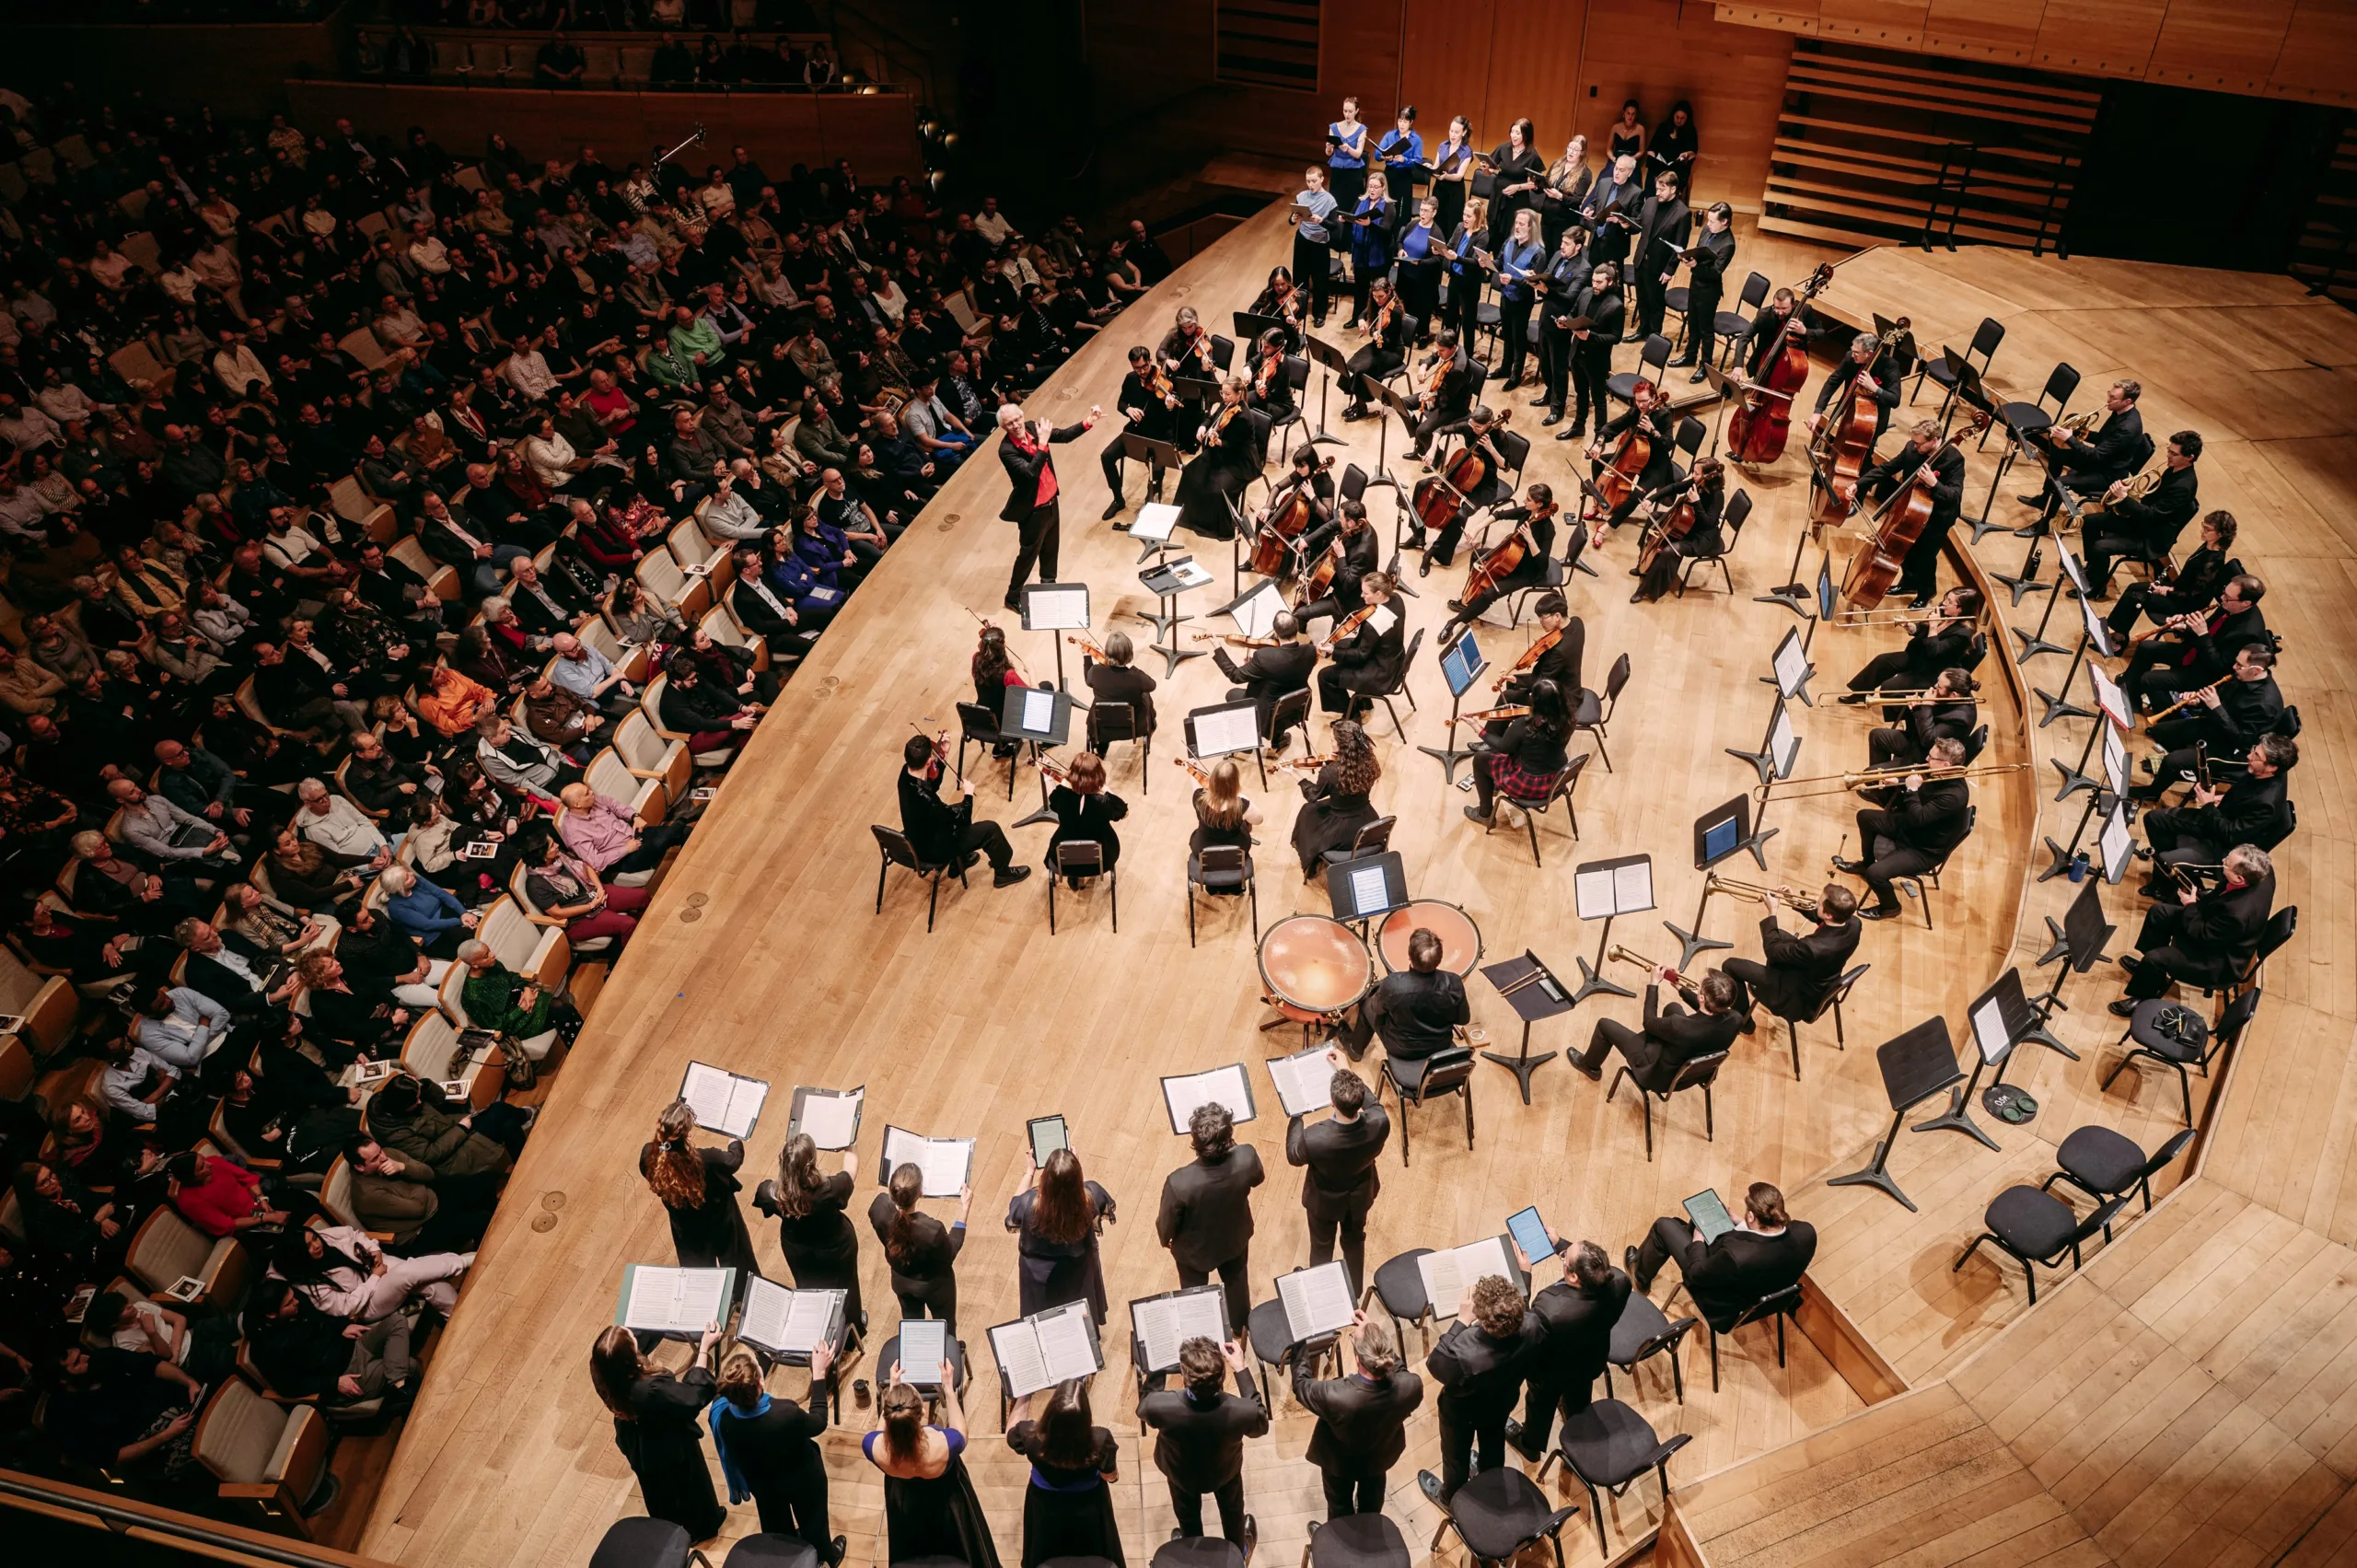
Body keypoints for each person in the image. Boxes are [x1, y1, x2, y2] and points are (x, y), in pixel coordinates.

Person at [591, 1321, 727, 1540]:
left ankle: (669, 1532)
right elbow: (692, 1397)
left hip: (637, 1441)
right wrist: (704, 1348)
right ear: (631, 1358)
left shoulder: (604, 1372)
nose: (636, 1338)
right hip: (668, 1443)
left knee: (657, 1491)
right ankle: (702, 1529)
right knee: (690, 1487)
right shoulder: (650, 1390)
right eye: (633, 1340)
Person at [709, 1344, 843, 1563]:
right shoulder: (785, 1414)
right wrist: (818, 1374)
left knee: (776, 1526)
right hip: (802, 1479)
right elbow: (818, 1422)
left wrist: (766, 1358)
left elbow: (742, 1386)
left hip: (763, 1484)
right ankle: (826, 1558)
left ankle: (788, 1560)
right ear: (760, 1383)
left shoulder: (721, 1415)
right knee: (813, 1522)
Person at [1419, 1272, 1545, 1502]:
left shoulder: (1464, 1353)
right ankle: (1489, 1477)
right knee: (1493, 1440)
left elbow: (1435, 1364)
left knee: (1456, 1456)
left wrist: (1461, 1320)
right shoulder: (1533, 1325)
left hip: (1462, 1414)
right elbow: (1525, 1315)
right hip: (1503, 1400)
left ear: (1483, 1320)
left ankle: (1450, 1497)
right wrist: (1524, 1276)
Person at [1627, 1181, 1817, 1330]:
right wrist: (1742, 1225)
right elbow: (1770, 1247)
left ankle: (1640, 1275)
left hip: (1724, 1305)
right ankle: (1683, 1232)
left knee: (1664, 1226)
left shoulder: (1736, 1255)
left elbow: (1696, 1273)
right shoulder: (1806, 1233)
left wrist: (1698, 1242)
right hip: (1763, 1295)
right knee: (1682, 1226)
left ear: (1752, 1216)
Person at [1137, 1335, 1269, 1550]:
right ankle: (1238, 1551)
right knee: (1233, 1512)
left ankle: (1194, 1552)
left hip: (1181, 1473)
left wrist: (1157, 1366)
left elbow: (1144, 1407)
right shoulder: (1242, 1410)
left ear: (1184, 1375)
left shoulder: (1160, 1406)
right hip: (1225, 1470)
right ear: (1223, 1375)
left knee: (1187, 1518)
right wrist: (1241, 1369)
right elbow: (1261, 1424)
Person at [1507, 1237, 1631, 1460]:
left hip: (1550, 1372)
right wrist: (1558, 1243)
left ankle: (1530, 1445)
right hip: (1590, 1360)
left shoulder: (1551, 1311)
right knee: (1579, 1395)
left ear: (1574, 1276)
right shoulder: (1621, 1282)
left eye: (1565, 1258)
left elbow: (1525, 1327)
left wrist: (1523, 1275)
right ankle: (1576, 1423)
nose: (1563, 1257)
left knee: (1540, 1406)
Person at [865, 1366, 1001, 1567]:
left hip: (904, 1502)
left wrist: (893, 1389)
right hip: (946, 1500)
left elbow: (879, 1434)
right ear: (920, 1415)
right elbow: (961, 1431)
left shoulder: (875, 1448)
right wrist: (948, 1389)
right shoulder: (941, 1445)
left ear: (887, 1417)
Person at [2113, 843, 2275, 1011]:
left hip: (2216, 961)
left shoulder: (2237, 914)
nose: (2223, 860)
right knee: (2159, 912)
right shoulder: (2265, 871)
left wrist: (2190, 905)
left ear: (2239, 879)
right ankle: (2150, 973)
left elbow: (2203, 936)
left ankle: (2143, 997)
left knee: (2156, 958)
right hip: (2217, 929)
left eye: (2227, 863)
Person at [1294, 1310, 1422, 1518]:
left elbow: (1301, 1386)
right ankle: (1368, 1528)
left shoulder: (1336, 1395)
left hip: (1339, 1462)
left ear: (1358, 1360)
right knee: (1372, 1501)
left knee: (1338, 1505)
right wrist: (1373, 1334)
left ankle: (1340, 1536)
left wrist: (1300, 1345)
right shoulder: (1412, 1386)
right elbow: (1400, 1371)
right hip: (1379, 1455)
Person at [1834, 734, 1976, 920]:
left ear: (1945, 765)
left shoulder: (1953, 796)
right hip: (1911, 828)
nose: (1926, 759)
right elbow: (1919, 805)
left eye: (1931, 758)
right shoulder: (1936, 774)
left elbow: (1919, 817)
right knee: (1865, 817)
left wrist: (1911, 790)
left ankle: (1890, 907)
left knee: (1875, 874)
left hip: (1923, 849)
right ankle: (1865, 862)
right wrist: (1900, 785)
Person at [1156, 1101, 1265, 1333]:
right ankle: (1241, 1327)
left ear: (1196, 1144)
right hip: (1234, 1239)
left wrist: (1166, 1239)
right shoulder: (1246, 1156)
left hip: (1194, 1252)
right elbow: (1258, 1179)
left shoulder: (1179, 1182)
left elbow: (1167, 1224)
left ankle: (1199, 1336)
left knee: (1194, 1295)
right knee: (1237, 1285)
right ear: (1229, 1138)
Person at [1285, 1059, 1390, 1288]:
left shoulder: (1315, 1137)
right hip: (1359, 1196)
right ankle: (1355, 1289)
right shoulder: (1380, 1123)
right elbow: (1374, 1105)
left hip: (1324, 1202)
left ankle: (1321, 1293)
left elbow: (1294, 1155)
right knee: (1354, 1241)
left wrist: (1296, 1116)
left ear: (1331, 1103)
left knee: (1322, 1247)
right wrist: (1347, 1069)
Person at [1006, 1378, 1123, 1565]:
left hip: (1044, 1503)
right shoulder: (1100, 1440)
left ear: (1050, 1412)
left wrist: (1025, 1393)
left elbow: (1011, 1432)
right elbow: (1109, 1475)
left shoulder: (1030, 1436)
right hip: (1089, 1504)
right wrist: (1113, 1475)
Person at [997, 401, 1100, 612]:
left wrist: (1088, 421)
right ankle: (1012, 596)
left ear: (1023, 416)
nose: (1016, 425)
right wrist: (1042, 443)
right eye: (1009, 423)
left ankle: (1049, 585)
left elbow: (1063, 435)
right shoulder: (1007, 451)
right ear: (1004, 428)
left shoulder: (1033, 428)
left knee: (1051, 548)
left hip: (1052, 501)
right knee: (1029, 554)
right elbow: (1030, 473)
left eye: (1017, 419)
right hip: (1033, 510)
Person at [756, 1133, 865, 1331]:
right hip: (836, 1249)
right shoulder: (830, 1189)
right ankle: (851, 1327)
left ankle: (815, 1325)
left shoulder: (772, 1194)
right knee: (847, 1286)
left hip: (799, 1252)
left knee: (807, 1284)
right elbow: (850, 1170)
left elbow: (762, 1194)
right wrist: (852, 1142)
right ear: (811, 1164)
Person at [1852, 419, 1967, 606]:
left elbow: (1954, 496)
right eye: (1914, 442)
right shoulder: (1911, 449)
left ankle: (1926, 592)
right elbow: (1887, 468)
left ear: (1934, 440)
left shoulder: (1953, 459)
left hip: (1937, 518)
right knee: (1905, 549)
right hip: (1911, 510)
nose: (1915, 446)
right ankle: (1908, 583)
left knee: (1925, 557)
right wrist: (1858, 484)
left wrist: (1934, 484)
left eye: (1919, 443)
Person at [897, 732, 1032, 889]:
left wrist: (943, 757)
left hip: (915, 838)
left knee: (955, 810)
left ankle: (959, 862)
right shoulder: (928, 801)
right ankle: (1003, 873)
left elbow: (931, 787)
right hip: (934, 849)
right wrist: (968, 795)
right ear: (928, 762)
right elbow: (962, 816)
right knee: (991, 830)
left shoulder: (905, 774)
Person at [641, 1099, 757, 1277]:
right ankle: (740, 1296)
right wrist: (734, 1140)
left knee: (699, 1275)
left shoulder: (649, 1156)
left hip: (687, 1229)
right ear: (687, 1135)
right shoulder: (708, 1159)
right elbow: (734, 1160)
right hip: (721, 1222)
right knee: (737, 1263)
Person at [1721, 885, 1862, 1031]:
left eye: (1819, 903)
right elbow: (1818, 916)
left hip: (1794, 996)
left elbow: (1772, 952)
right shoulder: (1853, 923)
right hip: (1818, 977)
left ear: (1829, 915)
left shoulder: (1812, 948)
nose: (1815, 902)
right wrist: (1792, 899)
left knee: (1730, 965)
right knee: (1778, 934)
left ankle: (1744, 1023)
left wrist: (1772, 913)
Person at [1573, 966, 1746, 1085]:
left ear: (1701, 998)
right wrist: (1681, 989)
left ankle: (1589, 1066)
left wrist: (1653, 984)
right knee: (1673, 1008)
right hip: (1694, 1073)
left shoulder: (1678, 1025)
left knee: (1604, 1025)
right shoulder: (1735, 1019)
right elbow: (1711, 1009)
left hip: (1657, 1075)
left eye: (1699, 991)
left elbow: (1648, 1023)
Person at [2082, 430, 2202, 594]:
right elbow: (2149, 501)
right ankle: (2093, 569)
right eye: (2169, 450)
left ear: (2190, 457)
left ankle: (2095, 587)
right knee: (2088, 521)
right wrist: (2129, 492)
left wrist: (2124, 498)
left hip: (2152, 537)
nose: (2168, 455)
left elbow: (2152, 516)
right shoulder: (2173, 469)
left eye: (2174, 454)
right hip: (2142, 523)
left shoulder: (2183, 486)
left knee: (2101, 546)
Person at [1351, 925, 1470, 1086]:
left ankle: (1355, 1050)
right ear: (1439, 960)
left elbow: (1376, 1009)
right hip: (1440, 1045)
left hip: (1402, 1049)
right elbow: (1464, 1019)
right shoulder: (1454, 983)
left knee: (1367, 1005)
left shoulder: (1393, 985)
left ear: (1409, 958)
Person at [1008, 1146, 1115, 1325]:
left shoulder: (1028, 1204)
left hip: (1038, 1276)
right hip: (1078, 1268)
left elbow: (1013, 1209)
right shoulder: (1091, 1196)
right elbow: (1091, 1196)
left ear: (1046, 1180)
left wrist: (1029, 1171)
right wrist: (1075, 1171)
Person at [2107, 510, 2237, 645]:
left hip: (2184, 605)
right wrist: (2169, 586)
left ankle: (2119, 639)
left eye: (2207, 529)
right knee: (2134, 587)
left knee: (2136, 595)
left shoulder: (2212, 563)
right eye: (2203, 526)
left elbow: (2195, 596)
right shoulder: (2208, 546)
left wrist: (2169, 592)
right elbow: (2186, 579)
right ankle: (2119, 632)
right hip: (2179, 592)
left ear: (2220, 534)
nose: (2202, 531)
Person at [2023, 378, 2147, 517]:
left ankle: (2043, 524)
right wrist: (2076, 431)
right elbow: (2103, 439)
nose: (2108, 400)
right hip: (2101, 463)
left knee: (2061, 483)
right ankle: (2044, 499)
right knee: (2058, 453)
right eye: (2109, 394)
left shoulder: (2127, 428)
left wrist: (2069, 438)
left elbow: (2096, 454)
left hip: (2108, 474)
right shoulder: (2119, 411)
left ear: (2127, 401)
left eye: (2113, 398)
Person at [870, 1165, 970, 1330]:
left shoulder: (878, 1208)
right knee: (945, 1327)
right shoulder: (931, 1231)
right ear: (921, 1193)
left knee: (912, 1326)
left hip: (901, 1282)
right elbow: (951, 1250)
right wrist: (964, 1208)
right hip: (934, 1287)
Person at [1466, 678, 1573, 825]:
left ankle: (1485, 814)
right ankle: (1494, 785)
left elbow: (1502, 747)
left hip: (1530, 786)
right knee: (1515, 753)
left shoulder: (1524, 726)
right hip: (1557, 779)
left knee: (1480, 759)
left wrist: (1477, 728)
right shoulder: (1569, 719)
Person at [1842, 585, 1980, 700]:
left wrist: (1933, 626)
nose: (1944, 603)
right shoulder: (1944, 612)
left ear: (1961, 609)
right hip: (1918, 656)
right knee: (1882, 661)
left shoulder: (1963, 634)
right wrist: (1912, 627)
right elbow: (1923, 627)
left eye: (1950, 602)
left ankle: (1907, 715)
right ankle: (1860, 695)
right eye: (1946, 598)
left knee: (1889, 687)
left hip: (1931, 671)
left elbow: (1934, 652)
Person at [1290, 717, 1383, 877]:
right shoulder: (1370, 762)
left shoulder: (1330, 773)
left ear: (1343, 745)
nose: (1331, 743)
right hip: (1367, 819)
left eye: (1332, 740)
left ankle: (1311, 862)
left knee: (1307, 812)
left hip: (1340, 829)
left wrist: (1296, 775)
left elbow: (1313, 795)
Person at [1099, 345, 1181, 519]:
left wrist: (1169, 407)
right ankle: (1118, 499)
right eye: (1137, 368)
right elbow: (1121, 403)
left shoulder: (1162, 380)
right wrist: (1129, 410)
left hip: (1159, 435)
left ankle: (1150, 503)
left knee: (1157, 470)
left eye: (1145, 366)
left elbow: (1174, 414)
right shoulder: (1130, 379)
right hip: (1136, 432)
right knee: (1106, 456)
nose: (1143, 372)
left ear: (1151, 361)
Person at [1628, 461, 1726, 604]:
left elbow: (1708, 523)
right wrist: (1650, 499)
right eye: (1694, 471)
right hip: (1686, 525)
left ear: (1707, 476)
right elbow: (1673, 488)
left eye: (1697, 473)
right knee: (1654, 517)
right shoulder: (1696, 483)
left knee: (1670, 551)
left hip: (1702, 537)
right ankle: (1642, 563)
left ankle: (1644, 590)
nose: (1693, 475)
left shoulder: (1718, 496)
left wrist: (1697, 502)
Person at [1213, 610, 1316, 746]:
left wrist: (1218, 649)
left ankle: (1245, 742)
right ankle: (1278, 740)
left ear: (1276, 632)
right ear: (1296, 628)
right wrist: (1256, 668)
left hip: (1268, 715)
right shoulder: (1310, 651)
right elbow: (1286, 670)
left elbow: (1235, 675)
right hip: (1296, 707)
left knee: (1231, 694)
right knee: (1282, 694)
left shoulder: (1264, 657)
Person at [1314, 572, 1405, 720]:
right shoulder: (1396, 599)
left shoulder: (1374, 622)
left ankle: (1352, 712)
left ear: (1379, 594)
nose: (1362, 596)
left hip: (1380, 673)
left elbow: (1361, 655)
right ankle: (1364, 701)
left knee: (1325, 676)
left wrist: (1332, 651)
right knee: (1342, 645)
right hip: (1393, 658)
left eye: (1365, 593)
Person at [1671, 203, 1736, 377]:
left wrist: (1694, 265)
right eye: (1709, 220)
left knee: (1705, 330)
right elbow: (1700, 252)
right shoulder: (1708, 230)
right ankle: (1690, 356)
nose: (1708, 224)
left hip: (1709, 291)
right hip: (1695, 284)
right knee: (1692, 323)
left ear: (1725, 222)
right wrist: (1687, 257)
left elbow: (1716, 272)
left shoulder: (1728, 244)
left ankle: (1705, 366)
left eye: (1713, 221)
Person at [1045, 751, 1128, 884]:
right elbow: (1123, 811)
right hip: (1102, 860)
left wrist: (1048, 777)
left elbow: (1052, 798)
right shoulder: (1104, 803)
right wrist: (1105, 788)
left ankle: (1074, 876)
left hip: (1063, 861)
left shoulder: (1061, 796)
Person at [1631, 169, 1691, 343]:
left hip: (1660, 266)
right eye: (1657, 189)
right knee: (1642, 298)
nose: (1657, 193)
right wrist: (1626, 223)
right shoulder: (1650, 202)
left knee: (1655, 303)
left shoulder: (1682, 213)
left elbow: (1680, 246)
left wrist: (1670, 270)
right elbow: (1640, 224)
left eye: (1661, 190)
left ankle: (1653, 338)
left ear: (1673, 189)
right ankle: (1642, 330)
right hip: (1641, 259)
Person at [1083, 630, 1157, 746]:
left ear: (1107, 652)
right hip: (1133, 728)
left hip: (1101, 728)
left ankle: (1101, 747)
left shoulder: (1096, 672)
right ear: (1129, 654)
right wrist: (1134, 669)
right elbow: (1152, 685)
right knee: (1145, 694)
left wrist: (1087, 656)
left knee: (1101, 699)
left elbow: (1088, 681)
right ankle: (1151, 726)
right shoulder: (1136, 677)